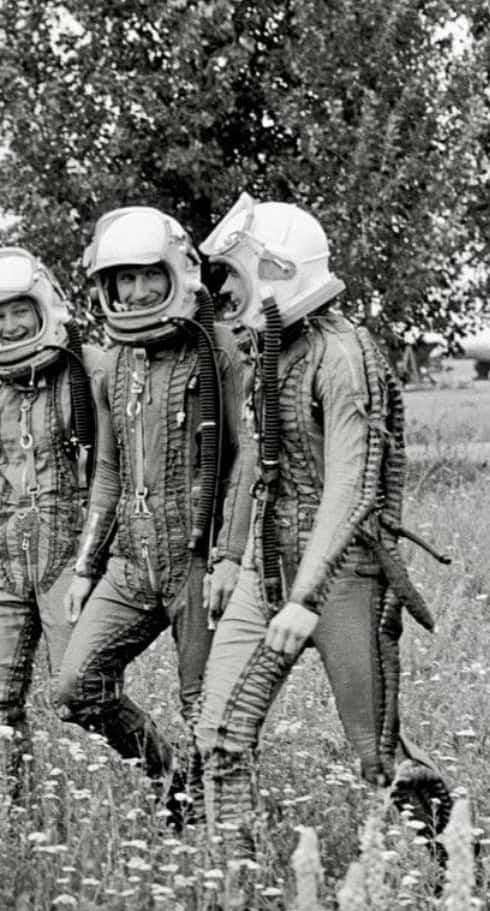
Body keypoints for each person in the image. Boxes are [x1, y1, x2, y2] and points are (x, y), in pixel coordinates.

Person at [194, 195, 453, 861]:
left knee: (378, 758)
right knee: (219, 736)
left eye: (235, 273)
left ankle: (464, 872)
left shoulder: (345, 356)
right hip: (268, 569)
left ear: (275, 268)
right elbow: (256, 463)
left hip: (344, 578)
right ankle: (237, 901)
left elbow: (352, 486)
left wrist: (306, 597)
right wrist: (234, 558)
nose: (225, 289)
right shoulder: (270, 352)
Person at [52, 207, 247, 827]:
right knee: (76, 687)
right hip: (133, 562)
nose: (136, 292)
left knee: (208, 709)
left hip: (197, 560)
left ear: (176, 273)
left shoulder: (222, 350)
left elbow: (247, 461)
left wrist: (230, 557)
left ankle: (225, 838)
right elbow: (108, 470)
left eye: (147, 276)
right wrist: (86, 567)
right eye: (122, 280)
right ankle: (171, 780)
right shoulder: (116, 362)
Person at [0, 247, 100, 791]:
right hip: (3, 552)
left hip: (69, 545)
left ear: (44, 307)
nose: (10, 324)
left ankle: (163, 780)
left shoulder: (86, 373)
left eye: (19, 310)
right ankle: (9, 814)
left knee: (81, 692)